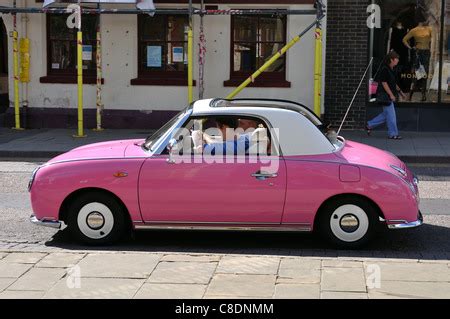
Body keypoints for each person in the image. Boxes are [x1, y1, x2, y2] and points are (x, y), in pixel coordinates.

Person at [366, 51, 406, 140]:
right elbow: (384, 83)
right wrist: (391, 95)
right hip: (385, 96)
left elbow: (393, 83)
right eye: (397, 59)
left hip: (388, 95)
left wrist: (401, 93)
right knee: (391, 116)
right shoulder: (385, 69)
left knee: (387, 114)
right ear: (392, 60)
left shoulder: (392, 69)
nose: (398, 60)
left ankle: (369, 124)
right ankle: (393, 134)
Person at [403, 20, 432, 102]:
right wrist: (410, 48)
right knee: (416, 75)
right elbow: (404, 39)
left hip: (426, 53)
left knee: (424, 75)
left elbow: (436, 37)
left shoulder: (429, 29)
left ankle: (423, 95)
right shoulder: (414, 30)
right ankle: (410, 95)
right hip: (418, 53)